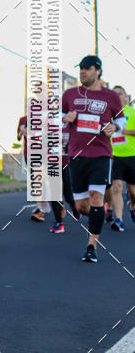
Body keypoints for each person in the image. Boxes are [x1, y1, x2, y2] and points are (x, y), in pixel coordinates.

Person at [62, 55, 125, 263]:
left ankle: (92, 245)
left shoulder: (111, 97)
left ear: (98, 70)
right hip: (77, 155)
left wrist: (115, 127)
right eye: (80, 68)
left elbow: (121, 119)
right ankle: (100, 213)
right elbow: (56, 116)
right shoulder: (70, 94)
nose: (82, 72)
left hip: (101, 155)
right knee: (81, 206)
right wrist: (65, 118)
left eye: (87, 68)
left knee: (96, 197)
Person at [108, 85, 135, 231]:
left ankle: (132, 205)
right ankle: (118, 219)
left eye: (120, 93)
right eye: (115, 94)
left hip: (132, 156)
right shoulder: (110, 114)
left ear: (126, 96)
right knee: (116, 187)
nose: (117, 96)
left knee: (132, 191)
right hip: (114, 156)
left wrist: (127, 131)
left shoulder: (132, 112)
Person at [17, 109, 49, 222]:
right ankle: (40, 204)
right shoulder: (23, 119)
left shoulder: (44, 119)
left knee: (38, 178)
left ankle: (40, 207)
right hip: (28, 152)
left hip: (41, 152)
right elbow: (18, 137)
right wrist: (22, 132)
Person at [49, 119, 78, 232]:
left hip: (68, 163)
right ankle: (59, 223)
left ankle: (73, 205)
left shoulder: (71, 124)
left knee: (68, 194)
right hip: (52, 163)